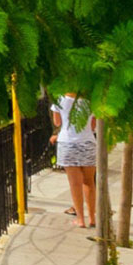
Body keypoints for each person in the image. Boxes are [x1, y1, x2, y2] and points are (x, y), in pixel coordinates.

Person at [51, 92, 99, 228]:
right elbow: (93, 125)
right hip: (88, 143)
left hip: (67, 143)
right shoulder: (91, 99)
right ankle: (91, 217)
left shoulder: (59, 98)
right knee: (89, 182)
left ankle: (80, 219)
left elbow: (57, 122)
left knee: (75, 184)